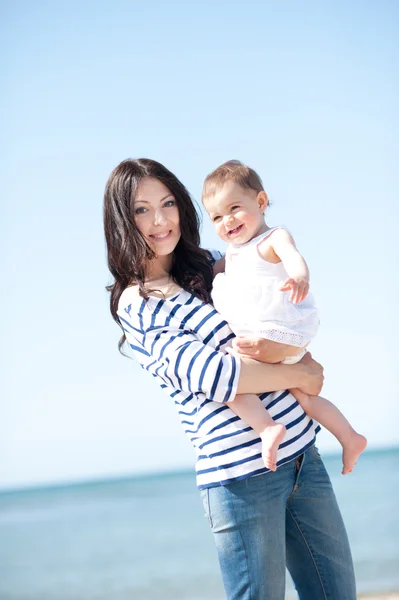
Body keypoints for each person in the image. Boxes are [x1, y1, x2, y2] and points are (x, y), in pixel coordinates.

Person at [104, 157, 357, 600]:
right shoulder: (137, 306)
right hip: (240, 479)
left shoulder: (216, 262)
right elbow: (216, 375)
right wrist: (298, 372)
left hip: (303, 456)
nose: (161, 220)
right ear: (123, 221)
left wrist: (301, 356)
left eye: (168, 203)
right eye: (142, 209)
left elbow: (280, 315)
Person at [202, 160, 367, 474]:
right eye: (217, 217)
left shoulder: (271, 238)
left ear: (261, 202)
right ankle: (350, 436)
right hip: (272, 338)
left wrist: (300, 277)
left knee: (229, 376)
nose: (227, 221)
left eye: (234, 208)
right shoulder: (231, 254)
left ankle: (266, 427)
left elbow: (293, 256)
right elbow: (210, 274)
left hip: (281, 328)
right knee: (303, 397)